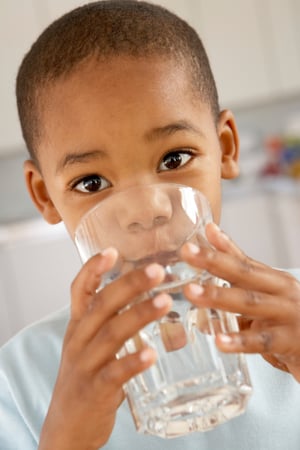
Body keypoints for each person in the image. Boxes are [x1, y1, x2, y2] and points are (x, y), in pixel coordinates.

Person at [0, 1, 300, 449]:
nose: (146, 210)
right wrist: (65, 439)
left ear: (225, 148)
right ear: (46, 196)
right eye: (91, 182)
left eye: (174, 159)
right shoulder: (16, 382)